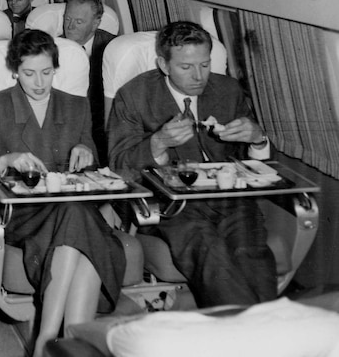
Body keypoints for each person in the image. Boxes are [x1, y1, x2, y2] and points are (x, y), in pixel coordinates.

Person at [0, 30, 124, 356]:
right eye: (29, 73)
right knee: (83, 224)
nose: (39, 82)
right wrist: (5, 160)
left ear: (55, 70)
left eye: (46, 72)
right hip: (23, 215)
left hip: (71, 213)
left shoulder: (76, 106)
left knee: (77, 217)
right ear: (15, 70)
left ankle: (58, 345)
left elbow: (91, 166)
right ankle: (52, 341)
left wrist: (85, 152)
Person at [107, 21, 274, 307]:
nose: (199, 76)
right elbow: (118, 165)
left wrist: (258, 139)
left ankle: (268, 333)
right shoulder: (134, 96)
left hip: (230, 200)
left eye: (205, 65)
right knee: (209, 251)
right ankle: (251, 335)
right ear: (163, 64)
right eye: (186, 67)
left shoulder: (229, 91)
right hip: (172, 207)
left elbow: (254, 164)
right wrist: (157, 142)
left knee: (251, 253)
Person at [63, 0, 114, 164]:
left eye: (78, 22)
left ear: (96, 23)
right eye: (67, 19)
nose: (69, 27)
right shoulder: (54, 47)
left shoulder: (112, 49)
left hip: (102, 124)